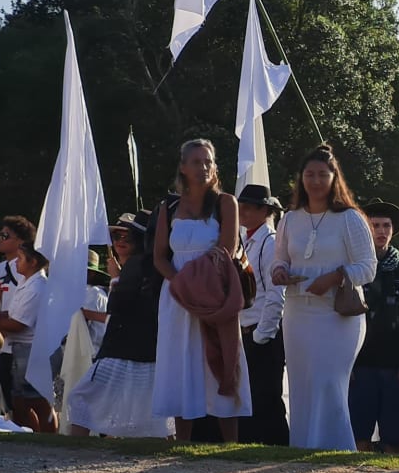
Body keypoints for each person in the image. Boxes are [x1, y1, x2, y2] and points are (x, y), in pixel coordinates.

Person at [271, 145, 377, 450]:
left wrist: (334, 277)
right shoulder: (290, 219)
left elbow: (368, 267)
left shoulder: (349, 219)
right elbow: (280, 259)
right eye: (309, 174)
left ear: (334, 178)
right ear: (301, 179)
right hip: (297, 313)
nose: (315, 181)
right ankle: (304, 447)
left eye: (322, 174)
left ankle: (336, 448)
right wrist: (279, 272)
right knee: (303, 383)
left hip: (336, 315)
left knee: (327, 382)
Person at [152, 139, 252, 442]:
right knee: (181, 359)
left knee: (221, 355)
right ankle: (183, 438)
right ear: (183, 167)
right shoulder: (168, 208)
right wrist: (180, 284)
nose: (203, 167)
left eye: (208, 161)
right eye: (196, 161)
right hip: (177, 295)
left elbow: (227, 248)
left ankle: (230, 442)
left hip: (213, 290)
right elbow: (159, 256)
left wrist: (199, 285)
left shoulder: (225, 203)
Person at [67, 211, 174, 438]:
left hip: (123, 350)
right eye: (117, 236)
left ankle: (76, 448)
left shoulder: (138, 265)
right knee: (152, 408)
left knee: (82, 397)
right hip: (149, 349)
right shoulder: (159, 264)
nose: (121, 241)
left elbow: (118, 305)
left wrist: (116, 278)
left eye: (128, 236)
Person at [349, 199, 399, 453]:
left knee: (394, 437)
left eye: (386, 226)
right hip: (360, 363)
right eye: (375, 225)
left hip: (395, 365)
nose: (381, 231)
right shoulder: (354, 267)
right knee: (358, 432)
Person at [236, 184, 289, 446]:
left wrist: (261, 335)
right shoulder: (245, 240)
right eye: (241, 205)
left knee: (266, 397)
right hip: (245, 330)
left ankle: (277, 447)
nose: (242, 211)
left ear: (264, 211)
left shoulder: (270, 243)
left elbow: (275, 294)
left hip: (261, 332)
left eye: (249, 206)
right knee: (249, 397)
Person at [0, 243, 55, 432]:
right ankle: (29, 433)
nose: (16, 262)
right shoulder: (27, 283)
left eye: (20, 258)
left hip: (31, 349)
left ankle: (49, 437)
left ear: (33, 261)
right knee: (20, 400)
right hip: (21, 348)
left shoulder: (37, 287)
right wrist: (1, 315)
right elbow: (14, 313)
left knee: (37, 400)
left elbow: (18, 324)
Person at [0, 216, 36, 418]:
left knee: (27, 400)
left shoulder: (26, 269)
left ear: (21, 242)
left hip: (20, 343)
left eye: (5, 236)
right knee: (9, 400)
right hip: (1, 342)